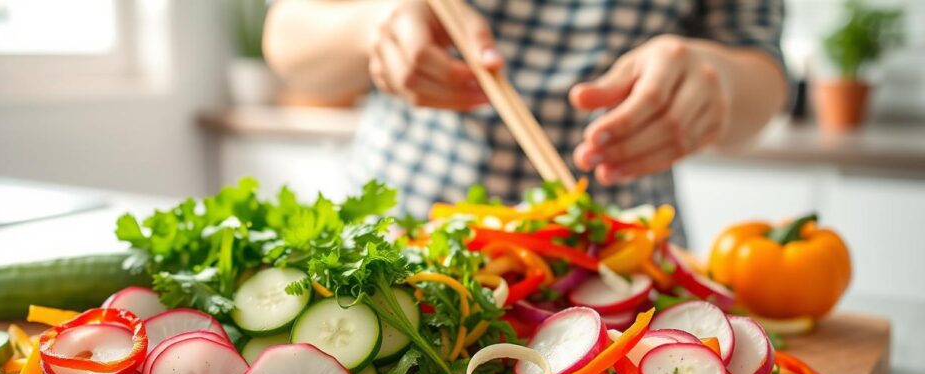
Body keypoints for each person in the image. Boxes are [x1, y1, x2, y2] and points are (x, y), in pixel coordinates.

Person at [263, 0, 786, 238]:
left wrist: (714, 79)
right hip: (403, 232)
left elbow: (764, 78)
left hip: (619, 243)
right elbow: (287, 36)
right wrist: (374, 25)